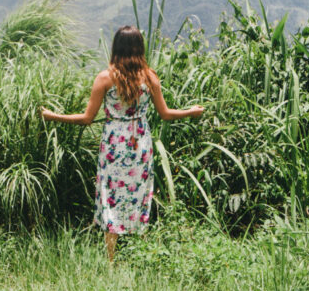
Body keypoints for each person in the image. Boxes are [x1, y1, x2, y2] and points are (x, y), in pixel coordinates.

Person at [41, 26, 204, 261]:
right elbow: (166, 114)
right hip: (140, 143)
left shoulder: (105, 78)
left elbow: (86, 118)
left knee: (111, 195)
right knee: (138, 193)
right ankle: (139, 252)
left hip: (114, 144)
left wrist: (53, 116)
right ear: (140, 48)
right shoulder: (150, 77)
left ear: (116, 47)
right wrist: (191, 112)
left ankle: (111, 259)